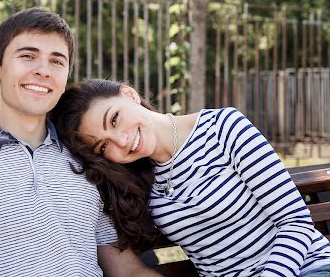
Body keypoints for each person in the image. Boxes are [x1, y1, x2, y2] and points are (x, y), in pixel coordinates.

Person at [0, 9, 159, 277]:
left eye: (56, 61)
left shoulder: (85, 159)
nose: (43, 71)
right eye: (27, 56)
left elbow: (127, 271)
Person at [51, 78, 330, 277]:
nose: (121, 141)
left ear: (129, 95)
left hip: (306, 268)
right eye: (103, 146)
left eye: (113, 119)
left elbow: (296, 224)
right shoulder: (136, 181)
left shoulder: (223, 128)